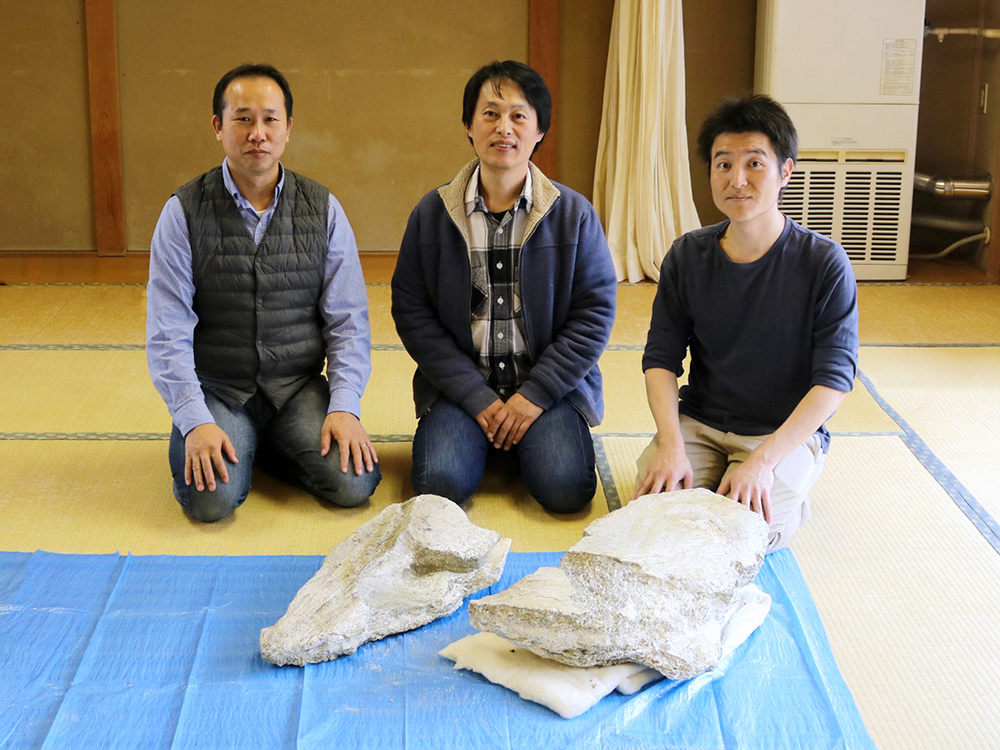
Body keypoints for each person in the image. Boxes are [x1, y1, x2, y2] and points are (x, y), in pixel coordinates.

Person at [146, 63, 381, 522]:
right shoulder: (182, 212)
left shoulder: (323, 208)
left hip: (296, 388)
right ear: (218, 126)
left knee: (355, 483)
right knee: (211, 502)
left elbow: (348, 322)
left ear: (288, 128)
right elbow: (166, 332)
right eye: (243, 119)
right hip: (219, 390)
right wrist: (195, 420)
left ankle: (262, 446)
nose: (258, 133)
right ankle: (246, 443)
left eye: (270, 119)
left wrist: (345, 407)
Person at [634, 94, 859, 552]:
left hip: (779, 435)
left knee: (738, 540)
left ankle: (792, 493)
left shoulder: (823, 262)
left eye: (755, 163)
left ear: (785, 172)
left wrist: (764, 461)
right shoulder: (687, 255)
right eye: (723, 164)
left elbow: (834, 381)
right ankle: (718, 476)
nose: (737, 179)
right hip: (700, 423)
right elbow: (660, 360)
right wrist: (671, 445)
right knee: (651, 523)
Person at [391, 60, 617, 514]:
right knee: (439, 486)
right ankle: (493, 439)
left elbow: (594, 313)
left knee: (567, 490)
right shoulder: (433, 213)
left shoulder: (573, 214)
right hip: (461, 389)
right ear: (469, 126)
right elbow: (412, 312)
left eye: (518, 116)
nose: (503, 128)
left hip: (547, 389)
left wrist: (534, 395)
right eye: (490, 114)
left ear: (539, 130)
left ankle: (520, 439)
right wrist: (474, 395)